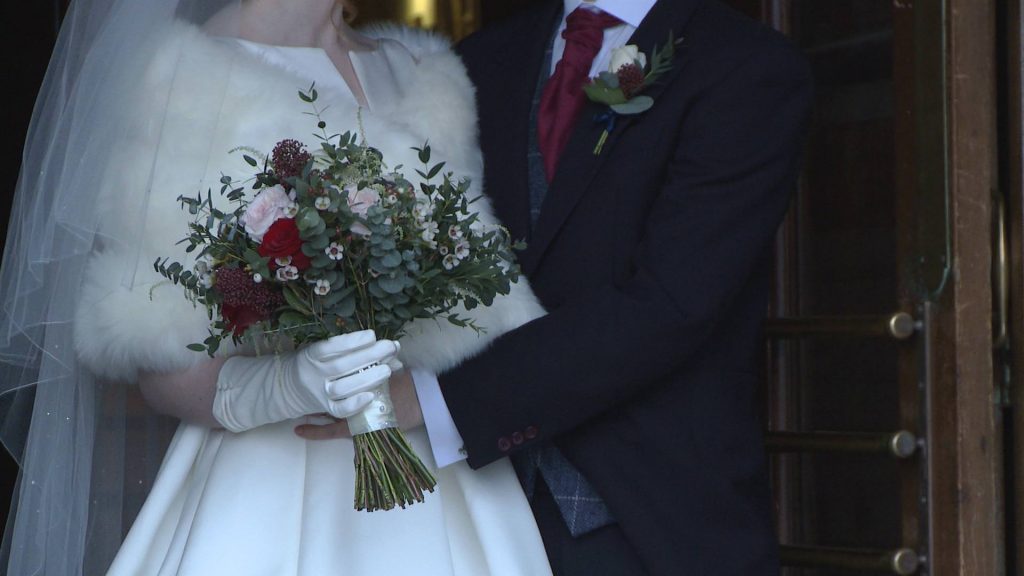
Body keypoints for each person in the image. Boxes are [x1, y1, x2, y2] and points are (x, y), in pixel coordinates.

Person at [0, 0, 553, 574]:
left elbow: (470, 297)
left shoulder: (425, 75)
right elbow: (156, 349)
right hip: (272, 479)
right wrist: (289, 385)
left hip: (437, 463)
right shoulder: (177, 76)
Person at [304, 0, 814, 574]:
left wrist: (431, 399)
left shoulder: (745, 68)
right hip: (467, 513)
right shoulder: (477, 60)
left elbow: (672, 303)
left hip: (648, 512)